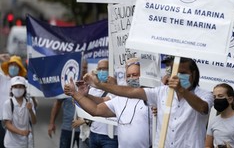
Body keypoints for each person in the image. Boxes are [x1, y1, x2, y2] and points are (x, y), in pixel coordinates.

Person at [80, 57, 214, 148]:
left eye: (182, 73)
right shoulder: (162, 92)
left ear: (194, 74)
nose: (177, 76)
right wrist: (99, 85)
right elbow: (129, 92)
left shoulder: (205, 94)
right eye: (174, 72)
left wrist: (182, 91)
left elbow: (203, 108)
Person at [64, 58, 152, 148]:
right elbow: (96, 109)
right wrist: (75, 94)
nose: (131, 78)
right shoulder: (120, 99)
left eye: (135, 75)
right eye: (129, 76)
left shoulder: (152, 98)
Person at [83, 59, 118, 148]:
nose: (102, 71)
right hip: (94, 133)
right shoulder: (91, 89)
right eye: (100, 69)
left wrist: (85, 96)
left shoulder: (116, 89)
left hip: (110, 136)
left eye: (105, 69)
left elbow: (103, 100)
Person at [0, 54, 27, 148]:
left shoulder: (24, 83)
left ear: (20, 68)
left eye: (16, 65)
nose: (13, 67)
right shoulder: (2, 78)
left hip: (17, 121)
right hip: (1, 119)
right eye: (12, 64)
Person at [2, 76, 37, 148]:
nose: (18, 89)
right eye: (15, 86)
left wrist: (30, 110)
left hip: (26, 142)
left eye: (21, 87)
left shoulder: (29, 102)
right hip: (12, 143)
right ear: (11, 89)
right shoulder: (8, 103)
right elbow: (7, 124)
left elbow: (34, 122)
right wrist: (21, 132)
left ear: (25, 89)